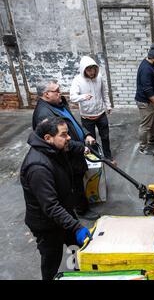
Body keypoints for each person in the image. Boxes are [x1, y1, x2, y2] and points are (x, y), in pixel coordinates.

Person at [20, 117, 92, 280]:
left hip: (64, 214)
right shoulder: (38, 167)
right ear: (48, 138)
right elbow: (51, 206)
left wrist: (83, 147)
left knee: (75, 248)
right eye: (64, 135)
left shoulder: (55, 148)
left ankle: (78, 273)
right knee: (52, 259)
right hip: (46, 225)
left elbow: (71, 145)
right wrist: (76, 226)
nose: (68, 138)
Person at [32, 80, 99, 220]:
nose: (60, 92)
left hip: (75, 148)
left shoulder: (58, 104)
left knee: (79, 178)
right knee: (75, 182)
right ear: (46, 94)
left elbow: (72, 121)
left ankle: (80, 204)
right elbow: (58, 140)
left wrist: (86, 133)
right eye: (56, 90)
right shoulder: (44, 115)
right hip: (67, 154)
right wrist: (81, 147)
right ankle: (81, 209)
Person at [70, 56, 116, 166]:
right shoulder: (78, 80)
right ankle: (97, 158)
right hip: (87, 117)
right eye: (89, 70)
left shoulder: (99, 77)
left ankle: (108, 157)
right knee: (91, 140)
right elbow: (72, 97)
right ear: (83, 69)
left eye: (93, 69)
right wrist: (83, 97)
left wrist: (108, 105)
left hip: (101, 114)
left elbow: (104, 92)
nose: (92, 72)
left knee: (105, 137)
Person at [135, 43, 154, 155]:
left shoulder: (150, 64)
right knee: (145, 124)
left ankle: (152, 139)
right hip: (145, 102)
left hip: (149, 100)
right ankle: (142, 147)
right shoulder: (146, 69)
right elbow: (147, 89)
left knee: (153, 118)